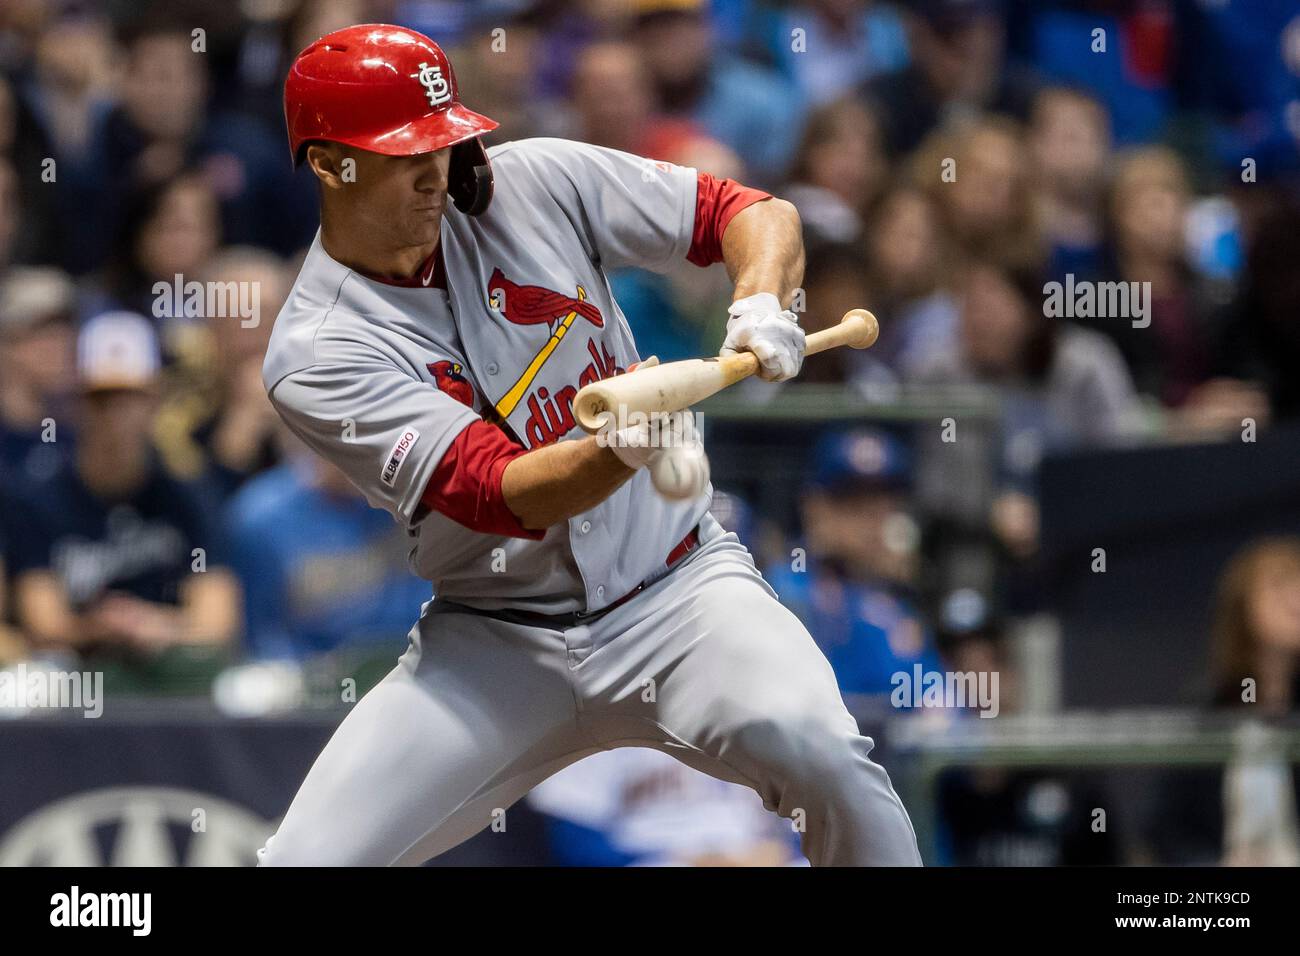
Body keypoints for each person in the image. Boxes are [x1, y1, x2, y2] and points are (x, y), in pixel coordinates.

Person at [256, 24, 920, 867]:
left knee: (828, 760)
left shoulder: (537, 181)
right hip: (500, 638)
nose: (437, 171)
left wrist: (759, 301)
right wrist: (625, 446)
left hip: (679, 591)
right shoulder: (317, 349)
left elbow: (749, 212)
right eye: (405, 153)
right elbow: (503, 495)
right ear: (328, 164)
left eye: (445, 141)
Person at [10, 311, 240, 692]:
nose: (116, 416)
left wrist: (153, 624)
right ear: (78, 404)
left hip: (170, 671)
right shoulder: (37, 495)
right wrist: (100, 626)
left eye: (131, 398)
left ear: (154, 402)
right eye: (102, 399)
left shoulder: (187, 496)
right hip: (75, 676)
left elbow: (218, 622)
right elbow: (44, 625)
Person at [766, 428, 944, 711]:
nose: (874, 518)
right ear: (815, 506)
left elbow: (942, 707)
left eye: (884, 502)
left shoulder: (895, 605)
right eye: (853, 502)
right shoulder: (780, 592)